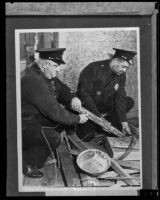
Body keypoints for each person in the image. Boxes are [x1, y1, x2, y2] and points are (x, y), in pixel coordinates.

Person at [21, 48, 88, 178]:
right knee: (53, 136)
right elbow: (54, 112)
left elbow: (62, 88)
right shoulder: (32, 79)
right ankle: (27, 162)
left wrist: (73, 98)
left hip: (37, 116)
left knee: (65, 121)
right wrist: (78, 119)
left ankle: (40, 151)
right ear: (45, 64)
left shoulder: (41, 72)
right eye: (56, 66)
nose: (58, 70)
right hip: (24, 123)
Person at [76, 48, 137, 157]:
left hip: (104, 105)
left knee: (129, 101)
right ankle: (100, 125)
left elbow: (120, 97)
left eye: (126, 68)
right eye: (123, 67)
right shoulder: (93, 68)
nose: (124, 70)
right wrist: (98, 119)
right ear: (116, 61)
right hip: (88, 107)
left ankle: (108, 123)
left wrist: (123, 121)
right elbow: (85, 96)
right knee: (86, 137)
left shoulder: (121, 74)